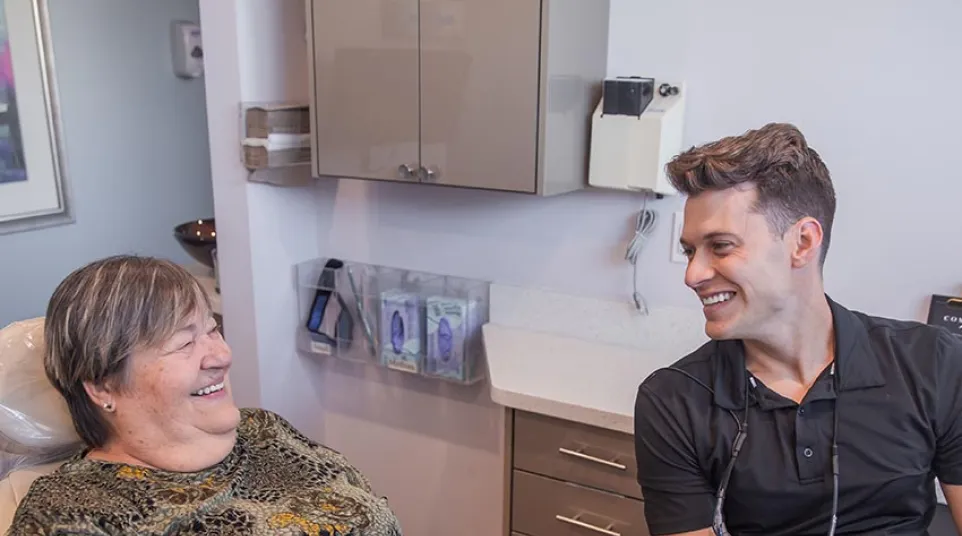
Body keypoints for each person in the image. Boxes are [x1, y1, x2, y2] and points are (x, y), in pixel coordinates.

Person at [633, 123, 962, 536]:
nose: (693, 274)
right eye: (689, 251)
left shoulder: (934, 364)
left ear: (803, 242)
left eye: (720, 246)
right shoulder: (673, 402)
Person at [7, 255, 402, 535]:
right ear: (103, 386)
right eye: (183, 343)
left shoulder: (264, 430)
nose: (222, 354)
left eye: (212, 329)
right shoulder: (75, 515)